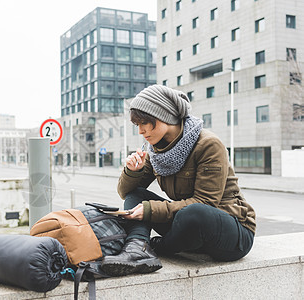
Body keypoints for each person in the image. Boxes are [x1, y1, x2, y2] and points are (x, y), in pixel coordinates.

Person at [101, 84, 256, 277]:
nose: (140, 131)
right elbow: (126, 193)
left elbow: (206, 203)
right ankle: (137, 249)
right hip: (188, 229)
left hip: (232, 232)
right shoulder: (155, 149)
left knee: (193, 213)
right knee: (136, 195)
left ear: (163, 115)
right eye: (137, 125)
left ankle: (160, 246)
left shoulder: (208, 144)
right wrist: (133, 171)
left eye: (144, 123)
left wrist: (151, 210)